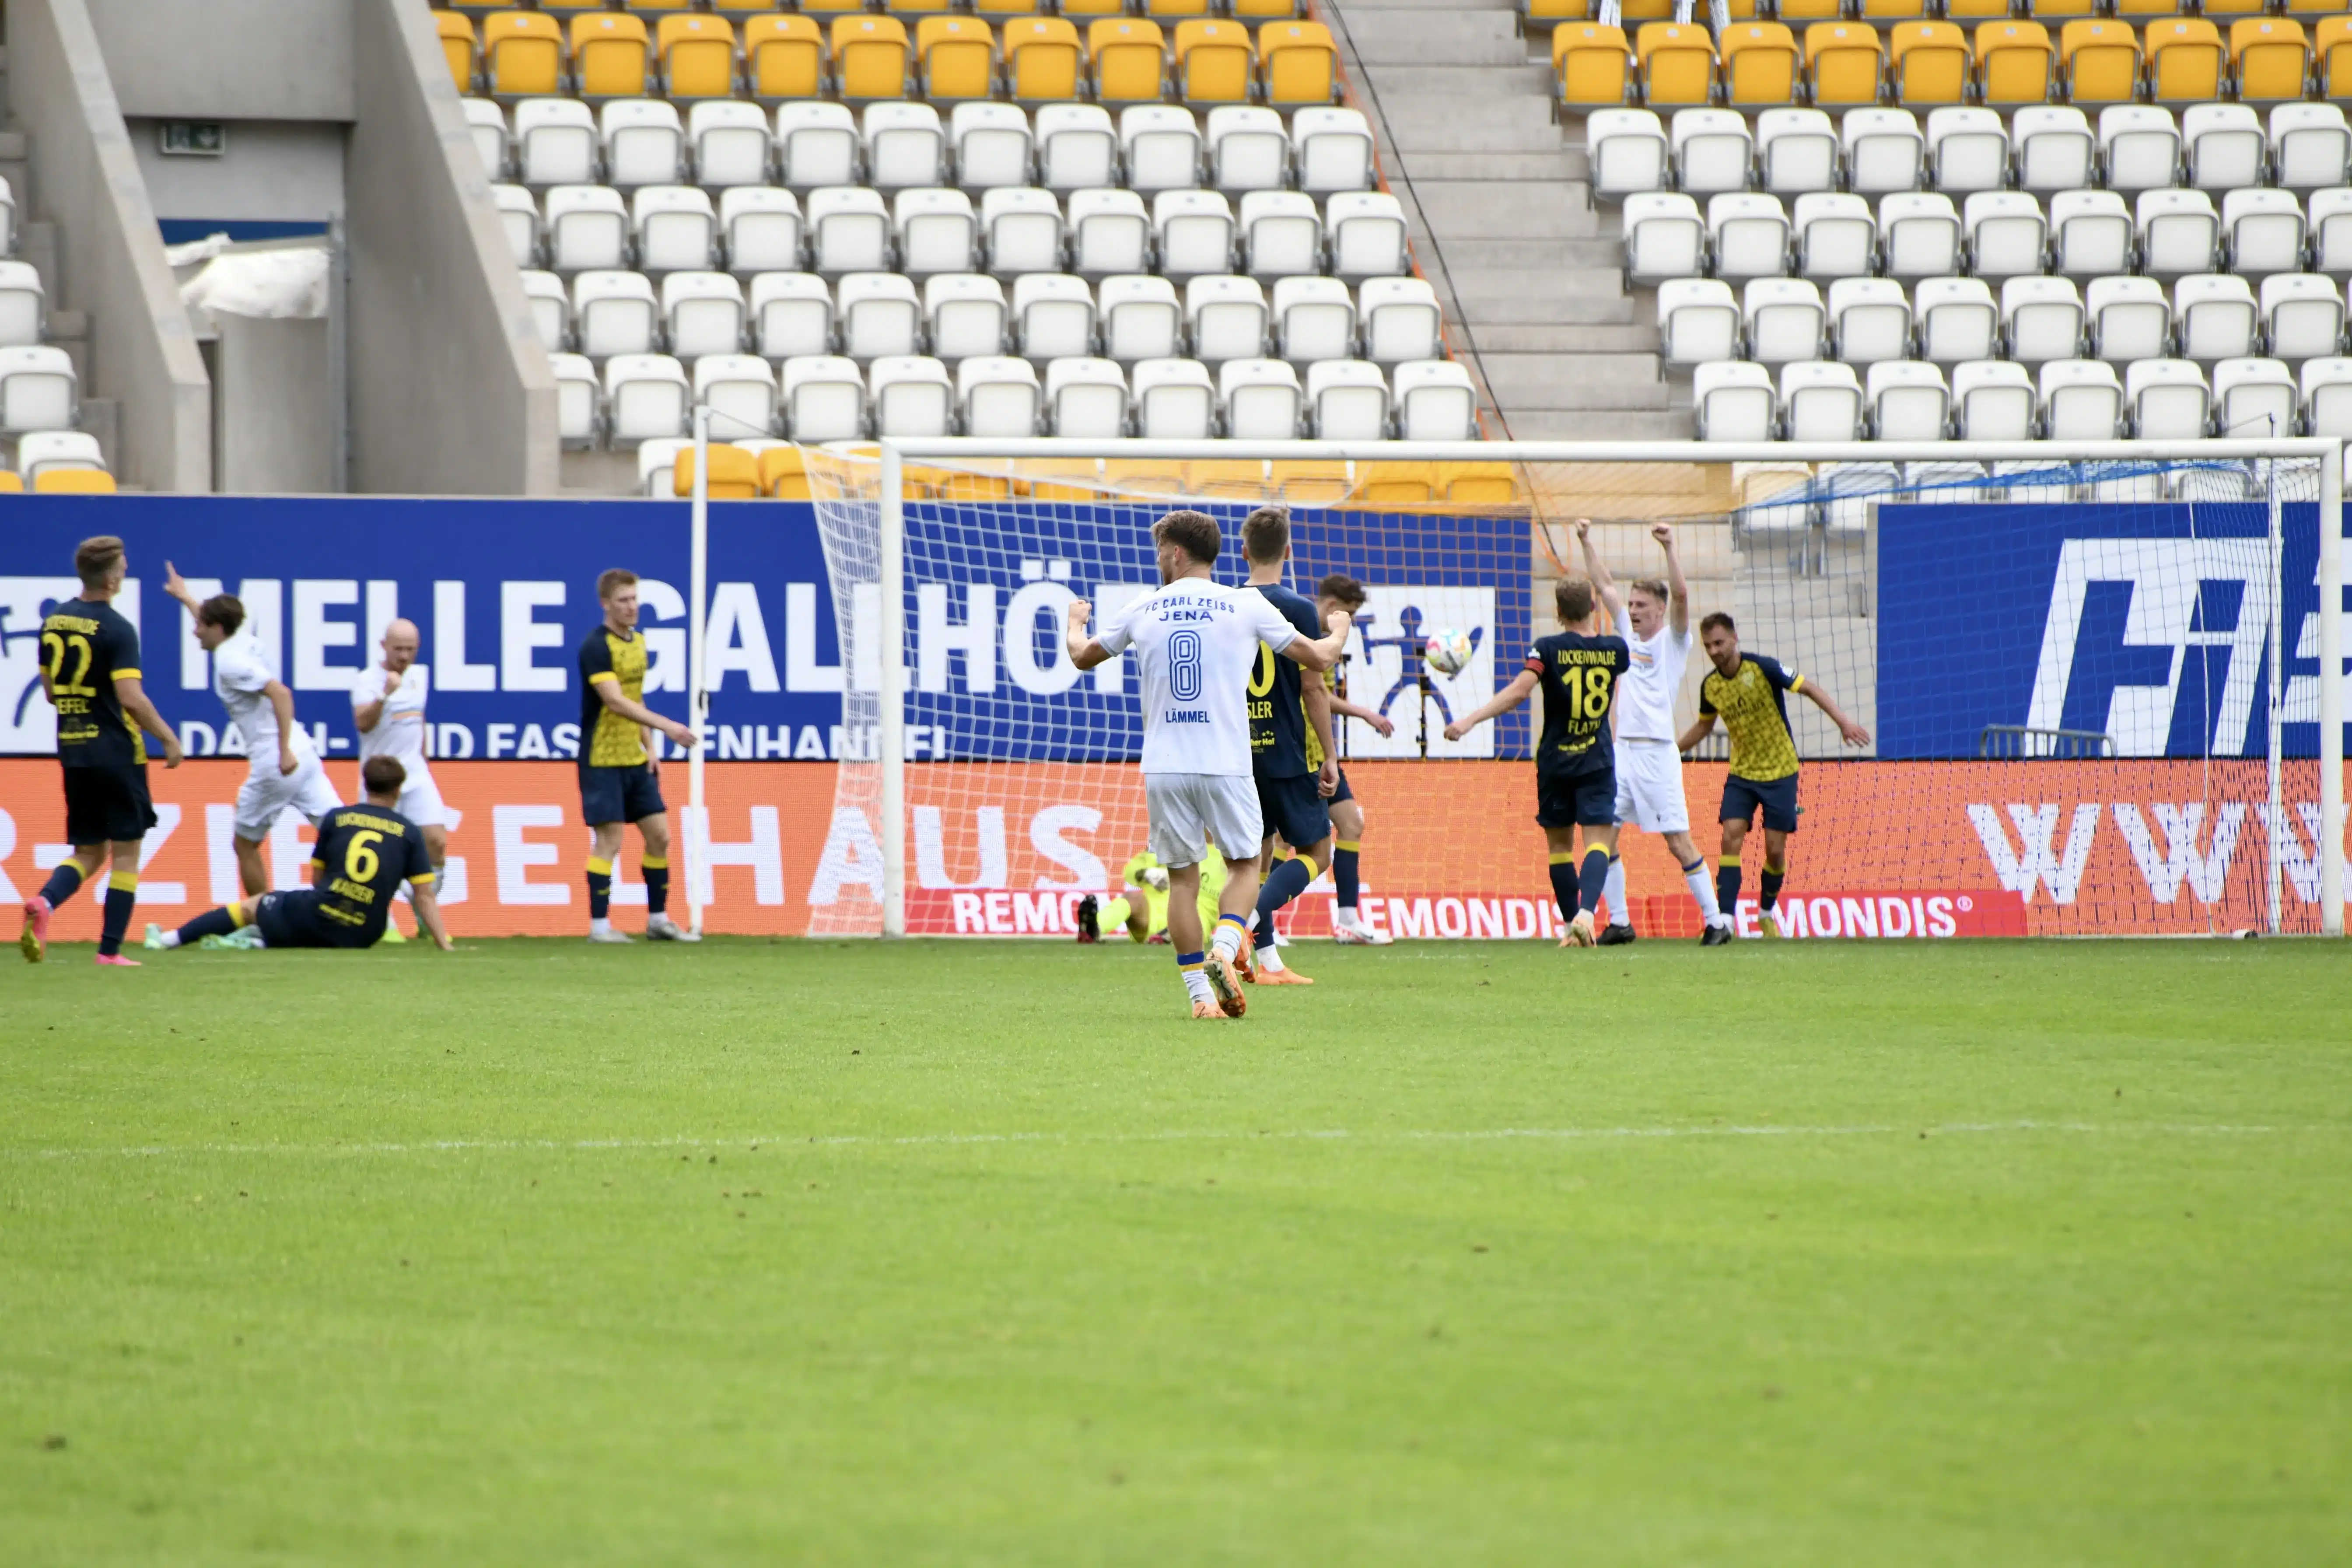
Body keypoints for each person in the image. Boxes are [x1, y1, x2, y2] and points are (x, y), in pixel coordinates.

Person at [1064, 509, 1350, 1018]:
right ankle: (1225, 945)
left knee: (1183, 880)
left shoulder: (1144, 606)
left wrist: (1074, 622)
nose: (1158, 559)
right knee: (1245, 866)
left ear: (1176, 552)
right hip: (1225, 761)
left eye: (1160, 551)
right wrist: (1341, 628)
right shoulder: (1245, 604)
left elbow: (1083, 656)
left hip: (1164, 765)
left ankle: (1200, 998)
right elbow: (1320, 659)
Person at [19, 536, 184, 965]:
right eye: (124, 566)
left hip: (74, 751)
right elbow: (131, 697)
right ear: (111, 578)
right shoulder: (117, 628)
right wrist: (167, 736)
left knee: (89, 851)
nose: (126, 571)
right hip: (116, 751)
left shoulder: (54, 620)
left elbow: (53, 692)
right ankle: (110, 950)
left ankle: (45, 902)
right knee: (126, 851)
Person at [1444, 570, 1630, 948]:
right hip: (1597, 758)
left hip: (1556, 762)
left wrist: (1470, 720)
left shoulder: (1546, 649)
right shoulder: (1616, 650)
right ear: (1592, 608)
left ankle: (1570, 928)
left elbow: (1519, 691)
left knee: (1560, 848)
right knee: (1599, 843)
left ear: (1558, 611)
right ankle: (1587, 915)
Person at [1575, 523, 1732, 947]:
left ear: (1660, 610)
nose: (1635, 609)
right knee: (1603, 834)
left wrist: (1670, 547)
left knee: (1678, 843)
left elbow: (1682, 595)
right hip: (1621, 752)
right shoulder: (1627, 631)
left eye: (1642, 604)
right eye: (1632, 604)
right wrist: (1586, 541)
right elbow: (1603, 583)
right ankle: (1622, 922)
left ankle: (1717, 920)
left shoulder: (1674, 640)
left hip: (1657, 756)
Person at [1678, 612, 1871, 938]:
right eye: (1708, 645)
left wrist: (1844, 723)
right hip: (1742, 773)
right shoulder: (1710, 686)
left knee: (1775, 850)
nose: (1713, 651)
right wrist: (1673, 750)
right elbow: (1704, 725)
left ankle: (1766, 912)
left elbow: (1808, 687)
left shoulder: (1763, 668)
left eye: (1719, 643)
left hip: (1781, 770)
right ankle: (1725, 920)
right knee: (1730, 837)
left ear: (1734, 639)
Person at [161, 563, 342, 901]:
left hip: (277, 761)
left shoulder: (229, 661)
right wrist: (186, 597)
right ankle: (392, 910)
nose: (195, 631)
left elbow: (281, 693)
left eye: (200, 625)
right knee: (344, 835)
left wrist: (283, 749)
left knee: (244, 844)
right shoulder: (241, 638)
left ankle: (261, 920)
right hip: (306, 756)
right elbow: (212, 618)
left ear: (217, 628)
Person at [148, 756, 452, 953]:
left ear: (365, 783)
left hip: (325, 911)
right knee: (312, 925)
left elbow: (318, 878)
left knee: (255, 906)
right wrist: (443, 945)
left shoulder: (338, 819)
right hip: (366, 932)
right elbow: (424, 896)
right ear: (398, 790)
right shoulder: (409, 831)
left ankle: (168, 940)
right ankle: (258, 942)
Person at [1238, 506, 1338, 986]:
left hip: (1237, 754)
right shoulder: (1297, 608)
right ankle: (1240, 927)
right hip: (1283, 752)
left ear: (1243, 551)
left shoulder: (1225, 601)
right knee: (1318, 851)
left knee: (1254, 859)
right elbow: (1314, 688)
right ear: (1289, 552)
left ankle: (1270, 963)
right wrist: (1331, 756)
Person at [578, 568, 700, 944]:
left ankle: (658, 919)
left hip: (634, 757)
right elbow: (614, 702)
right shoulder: (596, 647)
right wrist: (668, 726)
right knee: (610, 841)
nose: (632, 607)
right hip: (602, 757)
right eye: (623, 601)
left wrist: (650, 746)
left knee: (660, 836)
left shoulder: (639, 642)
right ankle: (600, 926)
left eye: (634, 599)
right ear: (606, 604)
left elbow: (635, 699)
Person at [352, 617, 452, 942]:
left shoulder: (420, 676)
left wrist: (424, 757)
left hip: (416, 774)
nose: (405, 657)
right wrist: (385, 695)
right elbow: (363, 724)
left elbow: (418, 719)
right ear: (384, 646)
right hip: (381, 778)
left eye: (411, 650)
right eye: (398, 649)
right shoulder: (367, 681)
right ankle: (383, 922)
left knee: (437, 843)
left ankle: (425, 912)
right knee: (378, 853)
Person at [1315, 574, 1394, 946]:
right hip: (1299, 752)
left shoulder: (1324, 638)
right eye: (1348, 614)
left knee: (1350, 824)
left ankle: (1348, 921)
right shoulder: (1312, 637)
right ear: (1333, 608)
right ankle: (1258, 923)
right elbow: (1316, 694)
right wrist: (1365, 713)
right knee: (1280, 841)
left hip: (1320, 752)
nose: (1350, 623)